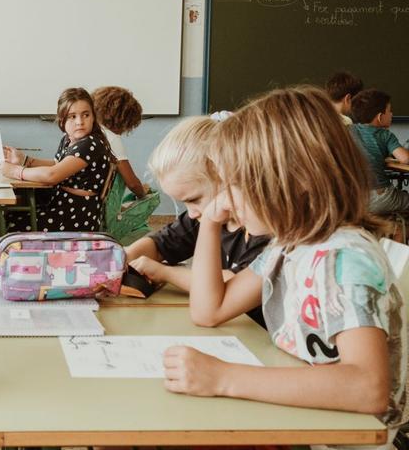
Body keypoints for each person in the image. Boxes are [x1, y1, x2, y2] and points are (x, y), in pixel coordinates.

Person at [167, 86, 407, 447]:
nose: (227, 197)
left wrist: (224, 378)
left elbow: (368, 387)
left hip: (347, 440)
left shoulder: (342, 257)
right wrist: (211, 222)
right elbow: (209, 310)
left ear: (298, 180)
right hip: (303, 422)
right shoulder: (289, 246)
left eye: (237, 183)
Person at [126, 117, 269, 325]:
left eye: (194, 200)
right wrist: (122, 258)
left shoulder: (264, 229)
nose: (191, 213)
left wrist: (164, 272)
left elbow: (231, 286)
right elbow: (161, 244)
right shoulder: (202, 215)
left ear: (226, 175)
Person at [0, 87, 113, 233]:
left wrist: (16, 171)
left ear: (93, 117)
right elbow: (58, 164)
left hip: (76, 214)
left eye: (86, 115)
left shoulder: (90, 144)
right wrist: (24, 160)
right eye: (72, 116)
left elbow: (52, 175)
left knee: (3, 228)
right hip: (60, 204)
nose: (80, 122)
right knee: (5, 217)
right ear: (62, 119)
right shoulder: (69, 139)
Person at [349, 88, 409, 215]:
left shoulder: (348, 130)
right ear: (380, 117)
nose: (392, 114)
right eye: (389, 111)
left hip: (355, 199)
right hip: (382, 197)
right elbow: (405, 159)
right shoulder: (385, 135)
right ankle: (400, 232)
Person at [92, 86, 147, 198]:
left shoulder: (92, 129)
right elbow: (132, 183)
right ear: (124, 119)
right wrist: (144, 194)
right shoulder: (111, 138)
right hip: (94, 200)